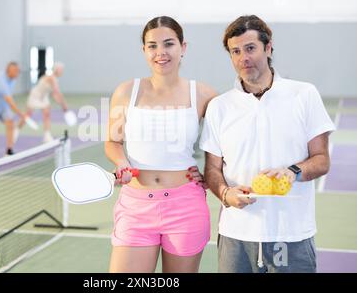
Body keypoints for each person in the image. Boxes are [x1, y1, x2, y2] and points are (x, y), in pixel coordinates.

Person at [199, 15, 335, 273]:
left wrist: (292, 172)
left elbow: (321, 159)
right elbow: (212, 169)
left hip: (291, 233)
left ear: (268, 47)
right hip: (235, 235)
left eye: (250, 48)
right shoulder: (219, 107)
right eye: (235, 52)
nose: (243, 58)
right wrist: (226, 194)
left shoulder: (303, 95)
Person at [105, 16, 217, 273]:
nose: (160, 52)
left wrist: (212, 175)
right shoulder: (126, 91)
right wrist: (121, 162)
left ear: (183, 47)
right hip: (135, 206)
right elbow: (113, 141)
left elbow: (225, 144)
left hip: (185, 207)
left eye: (168, 44)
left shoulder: (204, 94)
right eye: (152, 45)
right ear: (144, 50)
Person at [15, 62, 69, 143]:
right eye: (61, 70)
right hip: (35, 96)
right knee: (27, 115)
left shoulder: (55, 79)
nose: (62, 72)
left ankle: (47, 136)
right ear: (56, 70)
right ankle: (16, 130)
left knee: (47, 113)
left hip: (43, 98)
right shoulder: (51, 78)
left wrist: (61, 104)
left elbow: (54, 95)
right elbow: (57, 92)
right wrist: (64, 105)